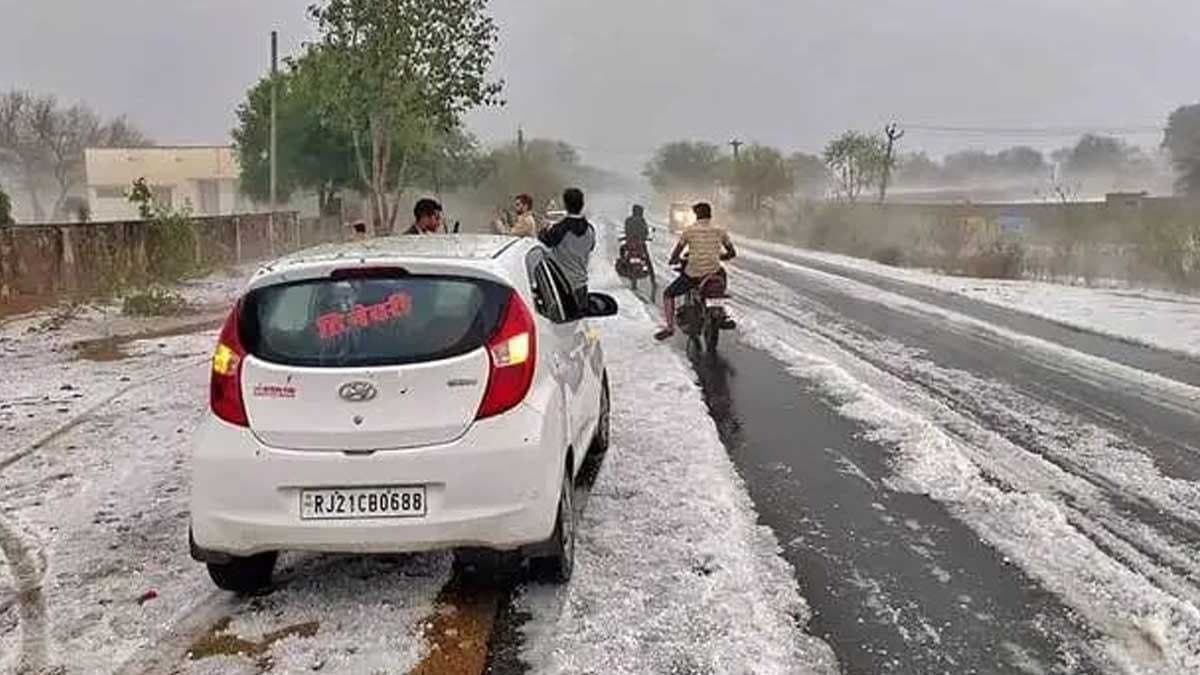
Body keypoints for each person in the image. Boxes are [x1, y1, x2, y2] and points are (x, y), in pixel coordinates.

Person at [654, 202, 736, 341]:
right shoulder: (720, 230)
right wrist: (720, 256)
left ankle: (669, 328)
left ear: (696, 215)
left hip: (694, 274)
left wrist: (674, 259)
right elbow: (732, 252)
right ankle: (720, 307)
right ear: (710, 214)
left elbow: (678, 251)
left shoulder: (689, 231)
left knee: (668, 294)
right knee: (722, 274)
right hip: (713, 272)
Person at [539, 187, 595, 311]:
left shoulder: (560, 229)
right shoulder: (590, 230)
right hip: (581, 286)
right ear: (582, 204)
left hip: (561, 287)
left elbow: (545, 241)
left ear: (565, 204)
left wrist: (543, 229)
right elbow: (590, 248)